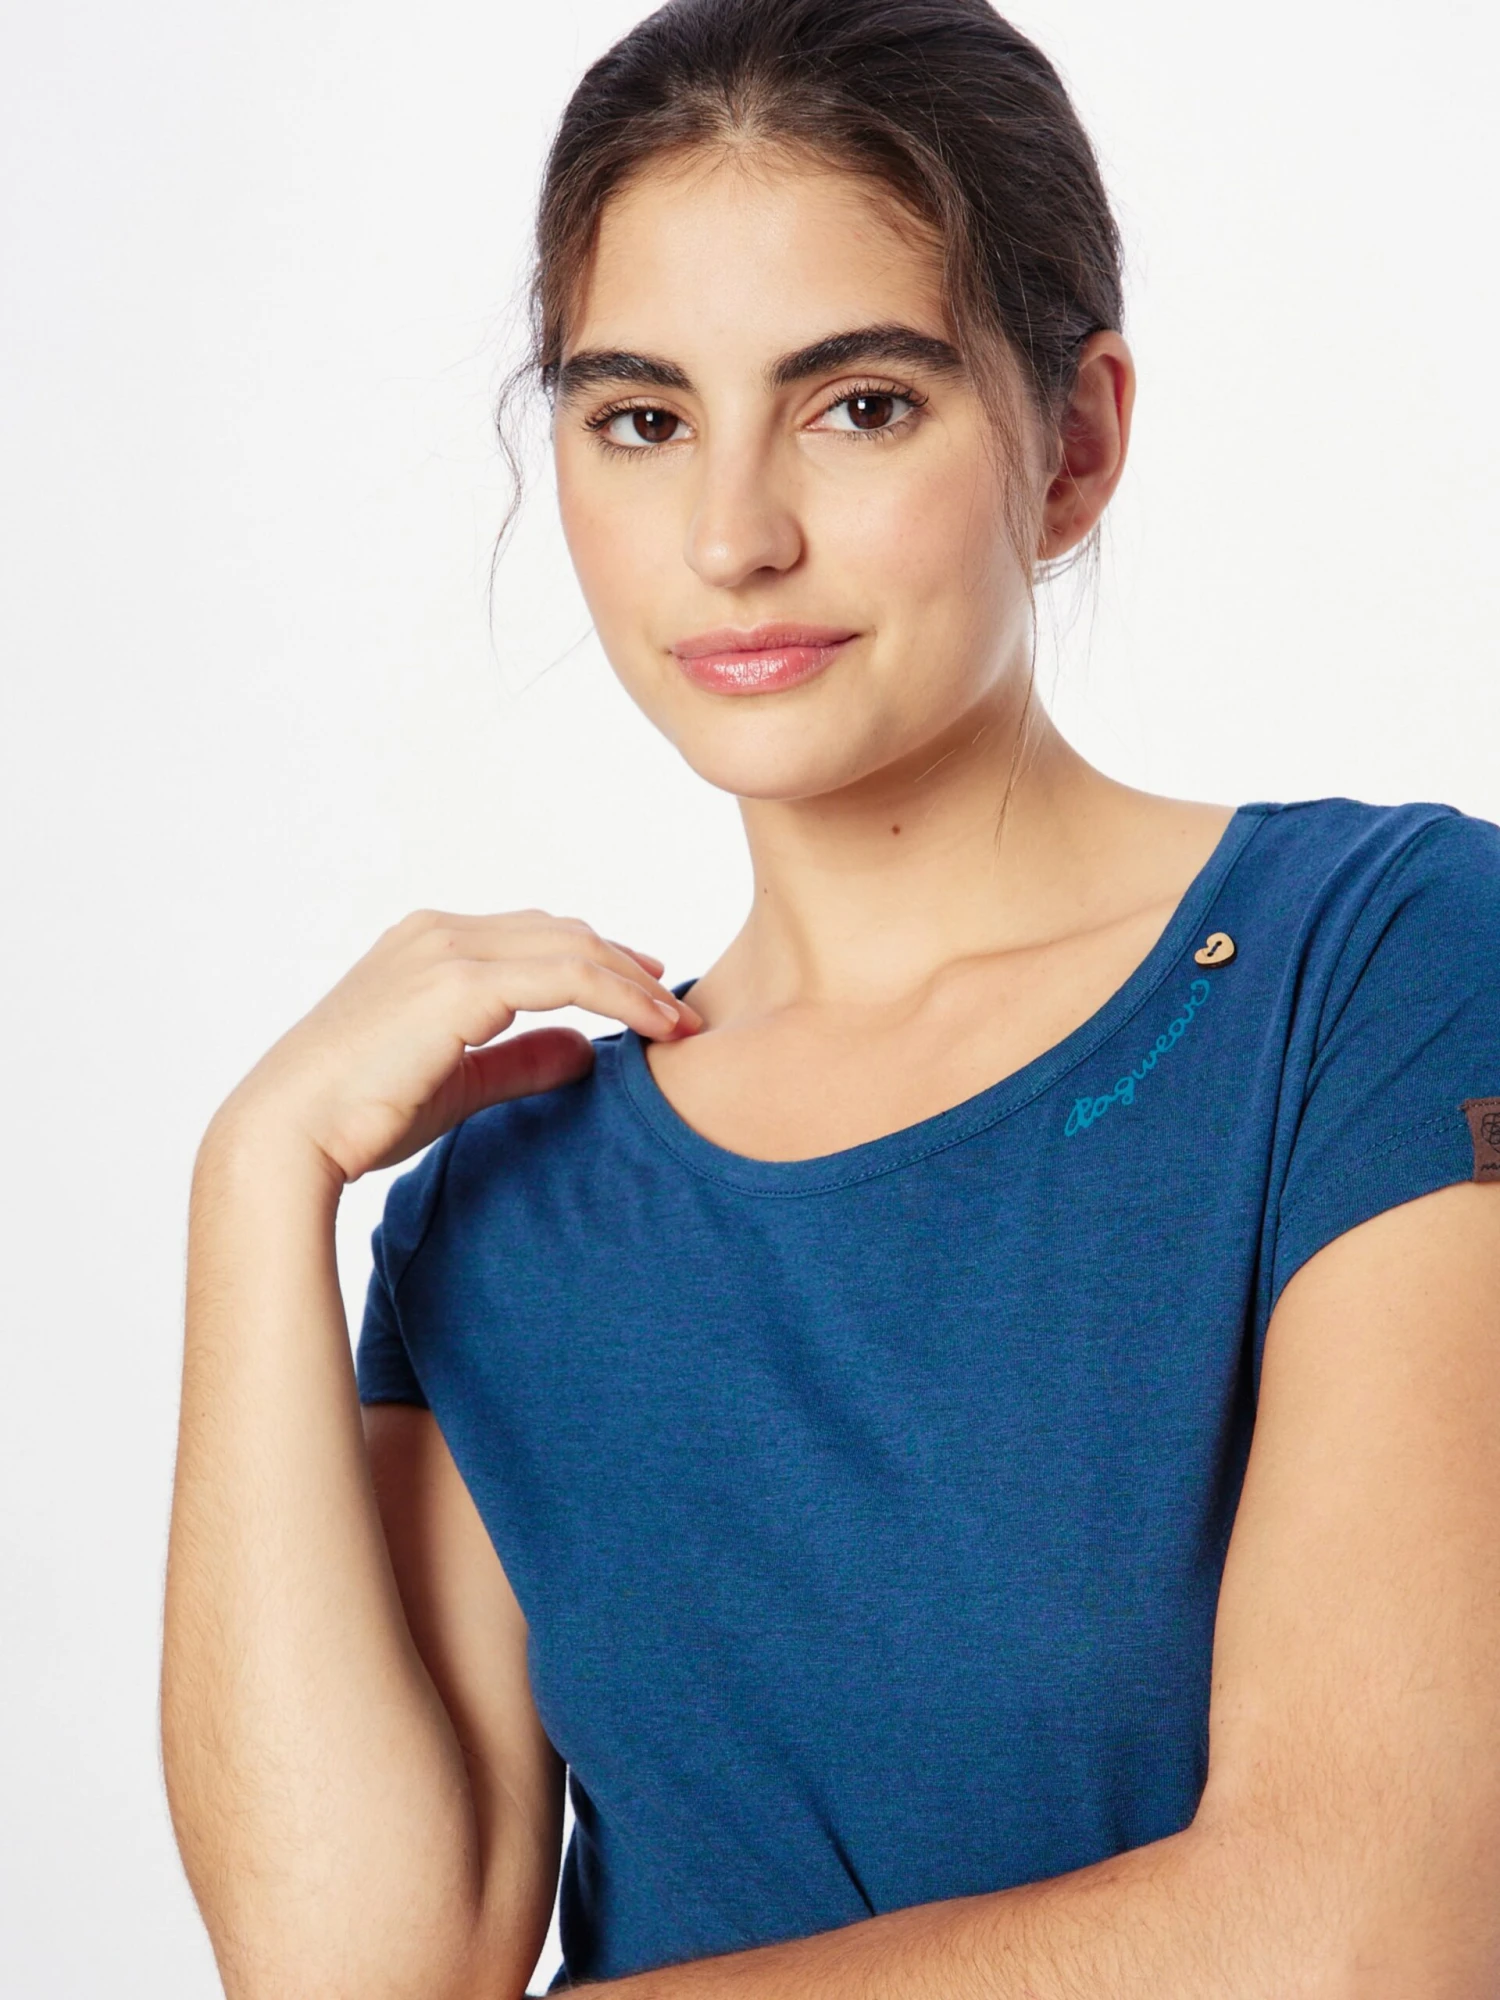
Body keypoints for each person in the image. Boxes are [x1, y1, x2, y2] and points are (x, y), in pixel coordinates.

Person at [160, 2, 1500, 1994]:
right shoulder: (511, 1207)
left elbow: (1369, 1934)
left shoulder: (1386, 965)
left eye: (858, 404)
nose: (733, 539)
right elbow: (353, 1967)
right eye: (641, 420)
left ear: (1074, 443)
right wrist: (253, 1180)